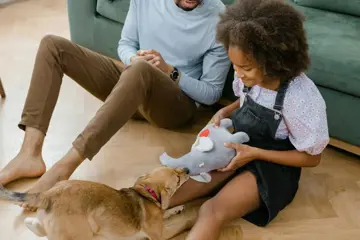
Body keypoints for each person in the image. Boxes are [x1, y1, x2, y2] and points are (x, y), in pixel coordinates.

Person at [0, 0, 231, 196]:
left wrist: (170, 70)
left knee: (142, 71)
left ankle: (66, 165)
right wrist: (133, 59)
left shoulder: (220, 20)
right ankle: (29, 154)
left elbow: (211, 94)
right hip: (135, 81)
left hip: (177, 105)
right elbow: (126, 44)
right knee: (53, 46)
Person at [167, 0, 330, 239]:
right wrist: (225, 112)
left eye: (246, 67)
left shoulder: (300, 97)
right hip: (236, 150)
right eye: (235, 65)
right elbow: (247, 101)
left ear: (274, 61)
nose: (239, 74)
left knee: (211, 210)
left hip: (272, 168)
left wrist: (254, 153)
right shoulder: (247, 77)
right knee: (171, 189)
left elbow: (312, 158)